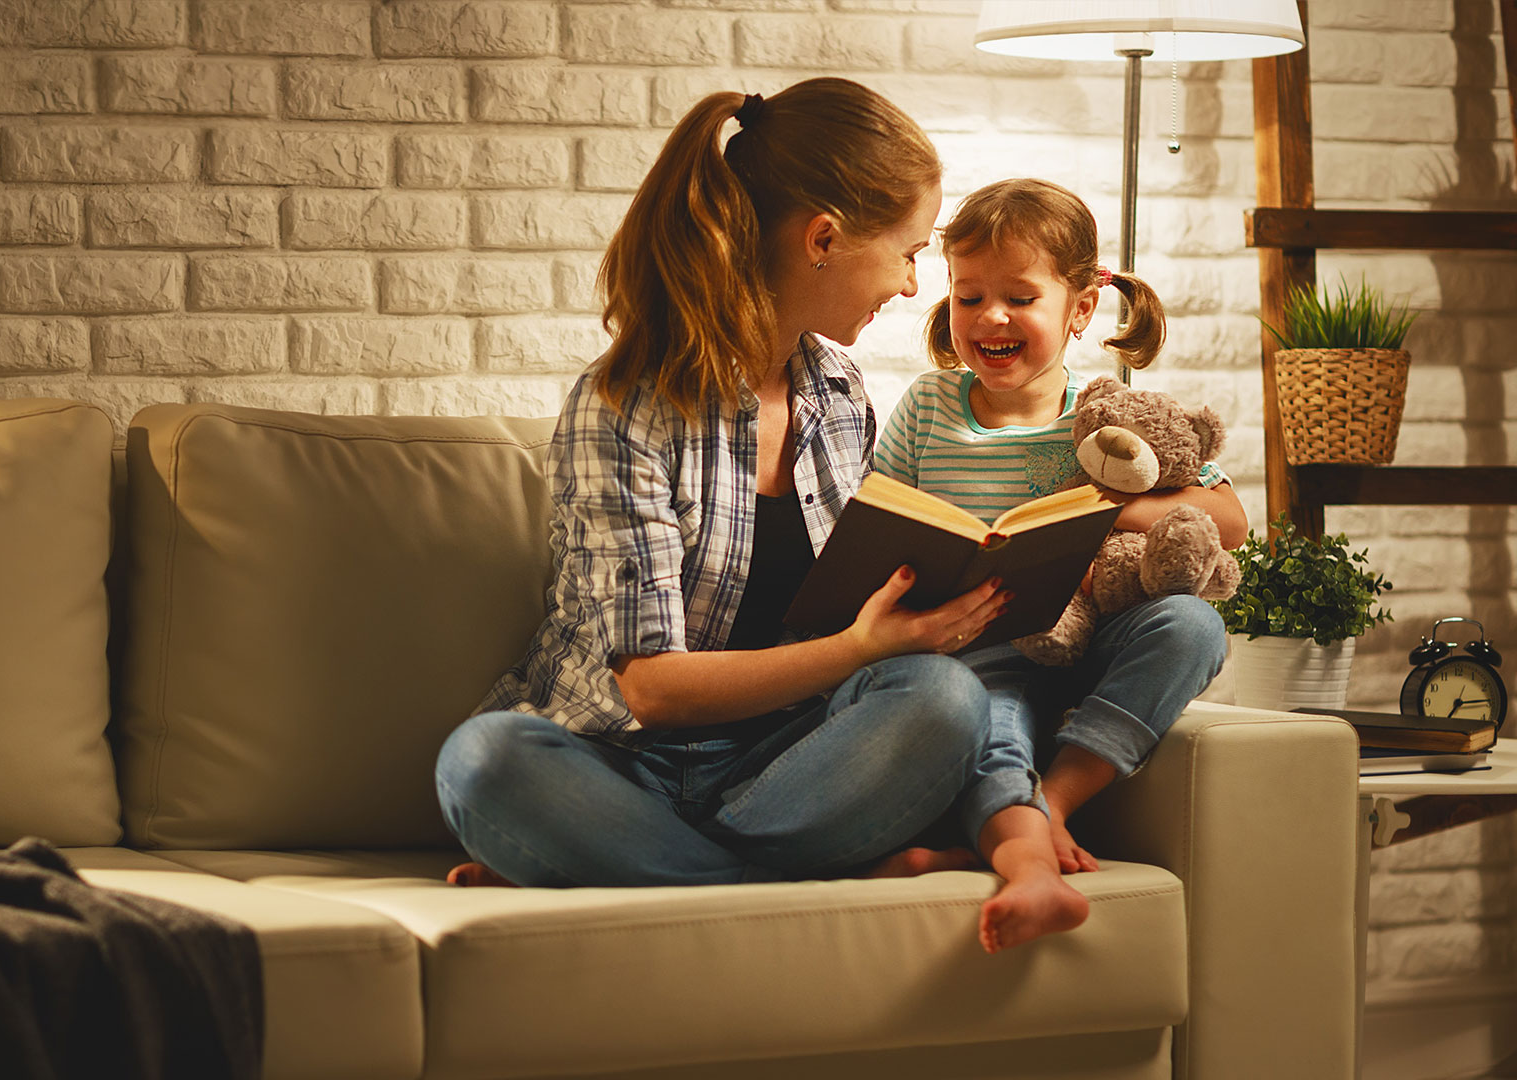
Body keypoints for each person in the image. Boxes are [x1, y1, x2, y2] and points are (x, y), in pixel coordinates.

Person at [434, 77, 1091, 954]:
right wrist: (860, 648)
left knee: (941, 696)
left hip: (787, 766)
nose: (908, 286)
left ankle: (632, 866)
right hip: (621, 761)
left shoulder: (839, 392)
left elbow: (859, 602)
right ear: (823, 238)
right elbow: (651, 688)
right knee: (482, 762)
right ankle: (789, 877)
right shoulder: (624, 404)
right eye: (905, 252)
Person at [871, 178, 1249, 913]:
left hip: (1096, 634)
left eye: (1020, 297)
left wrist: (1105, 511)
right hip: (981, 646)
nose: (991, 317)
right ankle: (1008, 839)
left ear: (1079, 310)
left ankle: (1060, 801)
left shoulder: (1108, 415)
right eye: (969, 297)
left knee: (1193, 625)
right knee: (991, 717)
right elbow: (885, 517)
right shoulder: (927, 405)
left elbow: (1228, 519)